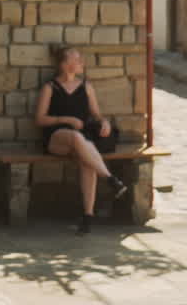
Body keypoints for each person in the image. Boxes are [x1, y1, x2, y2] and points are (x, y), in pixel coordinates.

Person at [34, 46, 128, 234]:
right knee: (77, 138)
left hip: (81, 141)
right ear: (65, 64)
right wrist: (66, 120)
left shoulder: (86, 86)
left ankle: (87, 216)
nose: (81, 63)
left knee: (87, 161)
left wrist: (105, 123)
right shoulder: (50, 88)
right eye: (77, 60)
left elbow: (97, 114)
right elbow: (39, 119)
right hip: (56, 138)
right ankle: (110, 179)